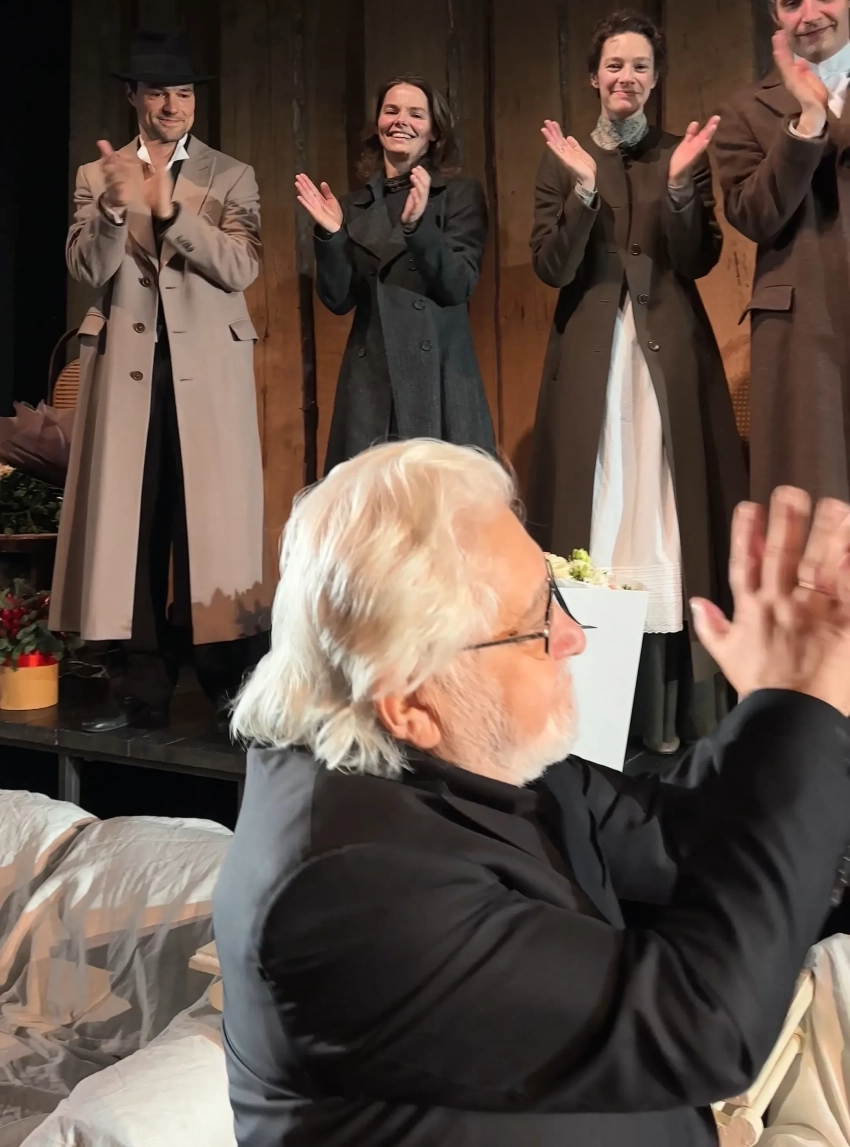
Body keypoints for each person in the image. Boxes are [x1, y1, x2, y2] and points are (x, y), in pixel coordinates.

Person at [214, 437, 850, 1147]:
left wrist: (779, 706)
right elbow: (703, 1023)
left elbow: (685, 839)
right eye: (536, 623)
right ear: (409, 698)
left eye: (555, 593)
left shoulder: (465, 758)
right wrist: (805, 709)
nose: (574, 637)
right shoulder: (344, 890)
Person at [525, 10, 746, 753]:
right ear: (594, 76)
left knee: (663, 513)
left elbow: (698, 257)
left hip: (667, 363)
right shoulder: (564, 158)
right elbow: (552, 267)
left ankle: (675, 709)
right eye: (614, 65)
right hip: (592, 362)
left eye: (640, 65)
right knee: (599, 509)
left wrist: (682, 189)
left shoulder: (680, 152)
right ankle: (593, 706)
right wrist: (584, 192)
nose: (627, 77)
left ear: (655, 78)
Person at [49, 31, 269, 731]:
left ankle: (228, 686)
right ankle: (141, 687)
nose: (173, 105)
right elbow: (87, 267)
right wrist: (116, 210)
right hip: (129, 371)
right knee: (136, 525)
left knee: (210, 527)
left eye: (183, 93)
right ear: (133, 98)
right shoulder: (96, 175)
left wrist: (170, 209)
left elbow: (240, 266)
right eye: (158, 93)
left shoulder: (230, 174)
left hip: (208, 373)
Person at [294, 76, 494, 471]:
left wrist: (418, 228)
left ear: (434, 131)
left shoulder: (459, 195)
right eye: (392, 111)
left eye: (416, 114)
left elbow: (459, 284)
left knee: (441, 500)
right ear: (378, 124)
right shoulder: (352, 206)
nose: (401, 120)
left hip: (440, 379)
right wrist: (331, 235)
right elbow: (338, 299)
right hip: (371, 383)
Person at [714, 0, 850, 506]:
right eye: (793, 2)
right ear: (776, 15)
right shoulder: (747, 110)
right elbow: (754, 215)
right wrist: (808, 121)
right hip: (804, 333)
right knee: (814, 505)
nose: (810, 13)